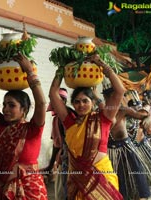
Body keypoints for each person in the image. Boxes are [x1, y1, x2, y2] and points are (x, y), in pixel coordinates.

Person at [49, 54, 125, 199]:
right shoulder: (69, 121)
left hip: (102, 178)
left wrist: (101, 64)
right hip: (78, 181)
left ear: (93, 102)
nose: (81, 105)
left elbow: (120, 90)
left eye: (85, 101)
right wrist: (62, 68)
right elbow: (53, 93)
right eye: (77, 101)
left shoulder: (104, 118)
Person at [0, 53, 47, 199]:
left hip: (29, 190)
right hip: (3, 189)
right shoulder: (2, 127)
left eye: (11, 105)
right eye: (4, 105)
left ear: (24, 110)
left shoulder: (33, 129)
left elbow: (41, 103)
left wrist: (30, 72)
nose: (5, 109)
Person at [102, 87, 151, 199]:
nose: (112, 100)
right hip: (110, 150)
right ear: (105, 98)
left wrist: (148, 114)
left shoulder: (124, 110)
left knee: (137, 171)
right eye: (108, 98)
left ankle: (143, 196)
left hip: (126, 147)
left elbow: (141, 115)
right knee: (118, 176)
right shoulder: (102, 112)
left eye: (114, 97)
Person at [43, 88, 68, 200]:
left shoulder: (65, 118)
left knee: (64, 192)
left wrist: (51, 164)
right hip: (64, 160)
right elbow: (56, 144)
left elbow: (59, 146)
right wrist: (51, 164)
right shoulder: (56, 119)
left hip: (69, 160)